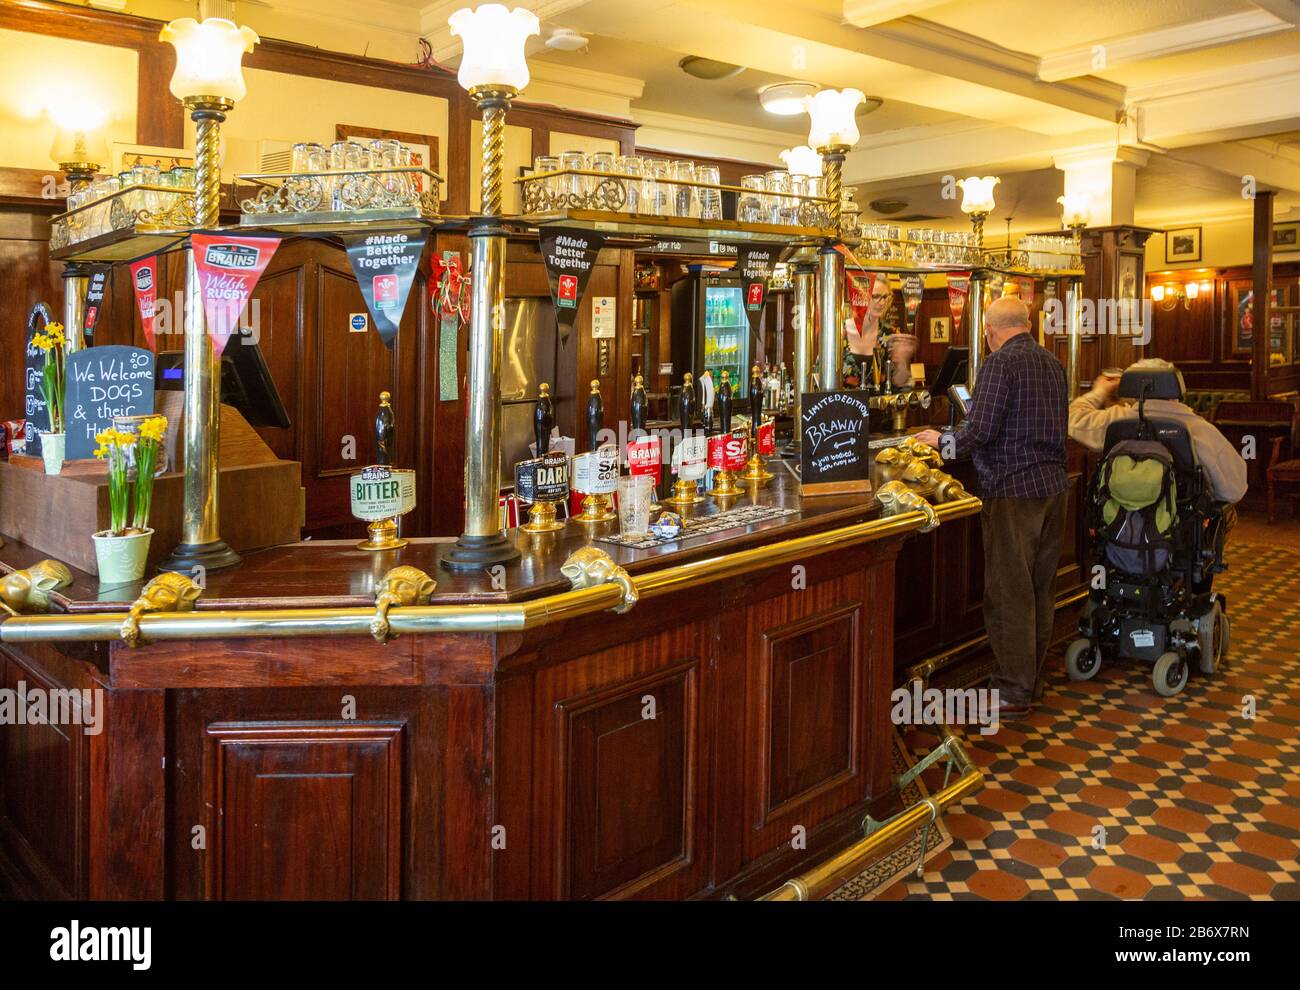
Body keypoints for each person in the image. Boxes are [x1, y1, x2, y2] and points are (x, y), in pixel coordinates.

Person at [915, 296, 1068, 718]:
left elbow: (980, 430)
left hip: (1013, 490)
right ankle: (1030, 681)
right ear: (1027, 323)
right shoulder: (1052, 363)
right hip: (1054, 488)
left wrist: (941, 441)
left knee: (1009, 592)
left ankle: (1011, 692)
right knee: (1039, 589)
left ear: (988, 330)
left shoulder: (1000, 363)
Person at [1067, 358, 1247, 505]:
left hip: (1123, 527)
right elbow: (1234, 490)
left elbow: (1072, 416)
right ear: (1175, 389)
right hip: (1180, 532)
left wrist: (1099, 391)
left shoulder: (1117, 422)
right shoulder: (1202, 431)